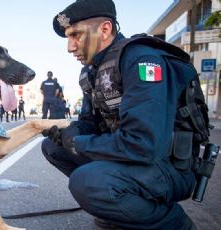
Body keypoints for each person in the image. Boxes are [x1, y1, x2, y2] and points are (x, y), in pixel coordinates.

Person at [42, 0, 198, 229]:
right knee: (53, 147)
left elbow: (144, 144)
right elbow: (89, 122)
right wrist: (72, 132)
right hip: (135, 157)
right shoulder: (92, 71)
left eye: (76, 35)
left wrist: (77, 143)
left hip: (170, 165)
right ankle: (119, 210)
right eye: (68, 37)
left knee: (88, 182)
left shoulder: (141, 59)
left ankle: (173, 222)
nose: (70, 47)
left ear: (105, 29)